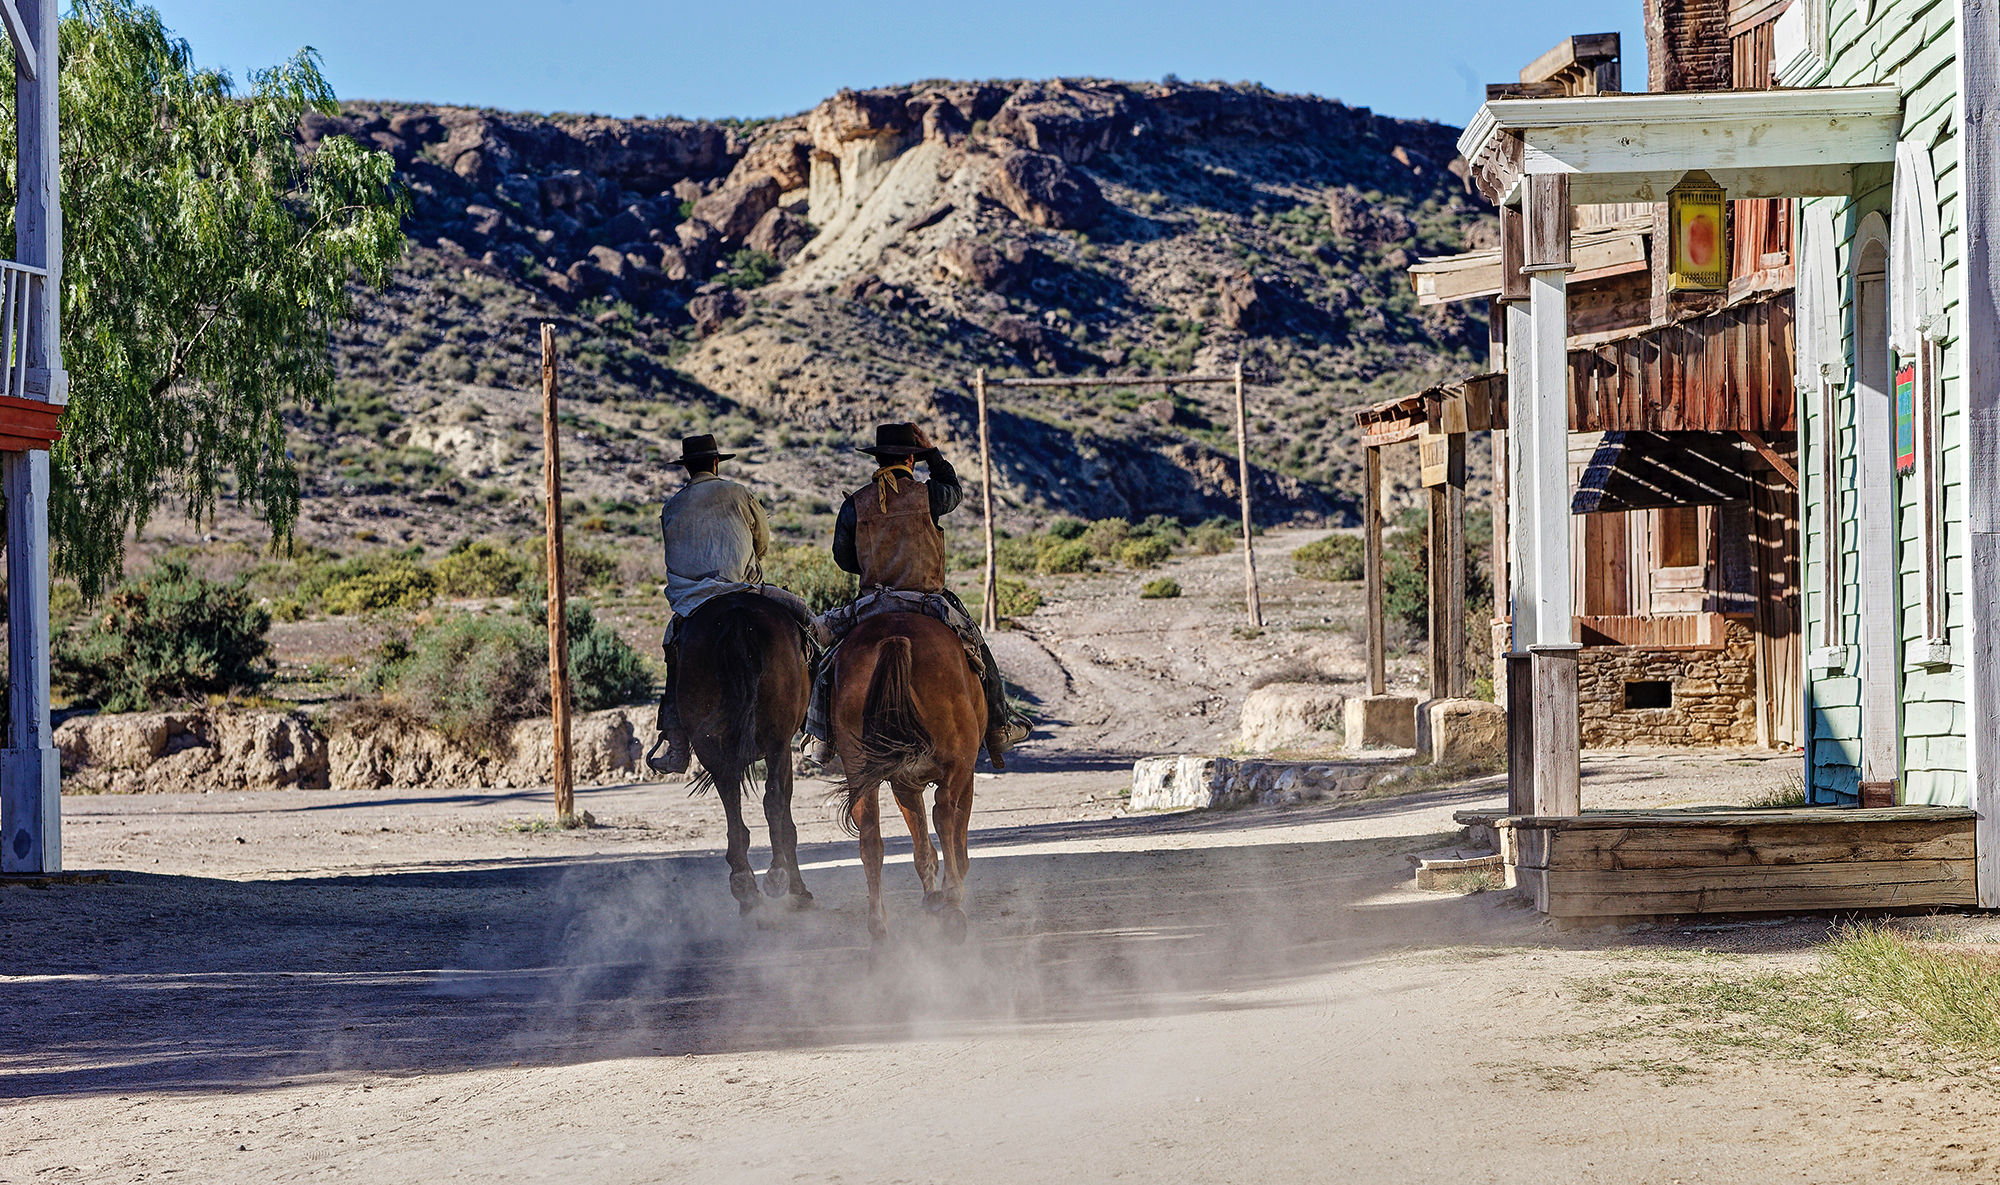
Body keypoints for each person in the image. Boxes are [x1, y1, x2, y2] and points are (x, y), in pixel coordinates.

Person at [811, 422, 1028, 768]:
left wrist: (873, 568)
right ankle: (999, 727)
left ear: (879, 459)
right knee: (979, 650)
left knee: (828, 662)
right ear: (911, 459)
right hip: (928, 600)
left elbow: (842, 557)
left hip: (872, 602)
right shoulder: (928, 495)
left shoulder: (855, 504)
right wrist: (933, 454)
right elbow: (954, 489)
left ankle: (821, 737)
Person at [651, 433, 822, 775]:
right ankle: (819, 727)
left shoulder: (671, 506)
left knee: (674, 649)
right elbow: (762, 541)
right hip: (743, 588)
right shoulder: (738, 493)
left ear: (688, 468)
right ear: (716, 463)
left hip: (693, 602)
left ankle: (675, 740)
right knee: (807, 625)